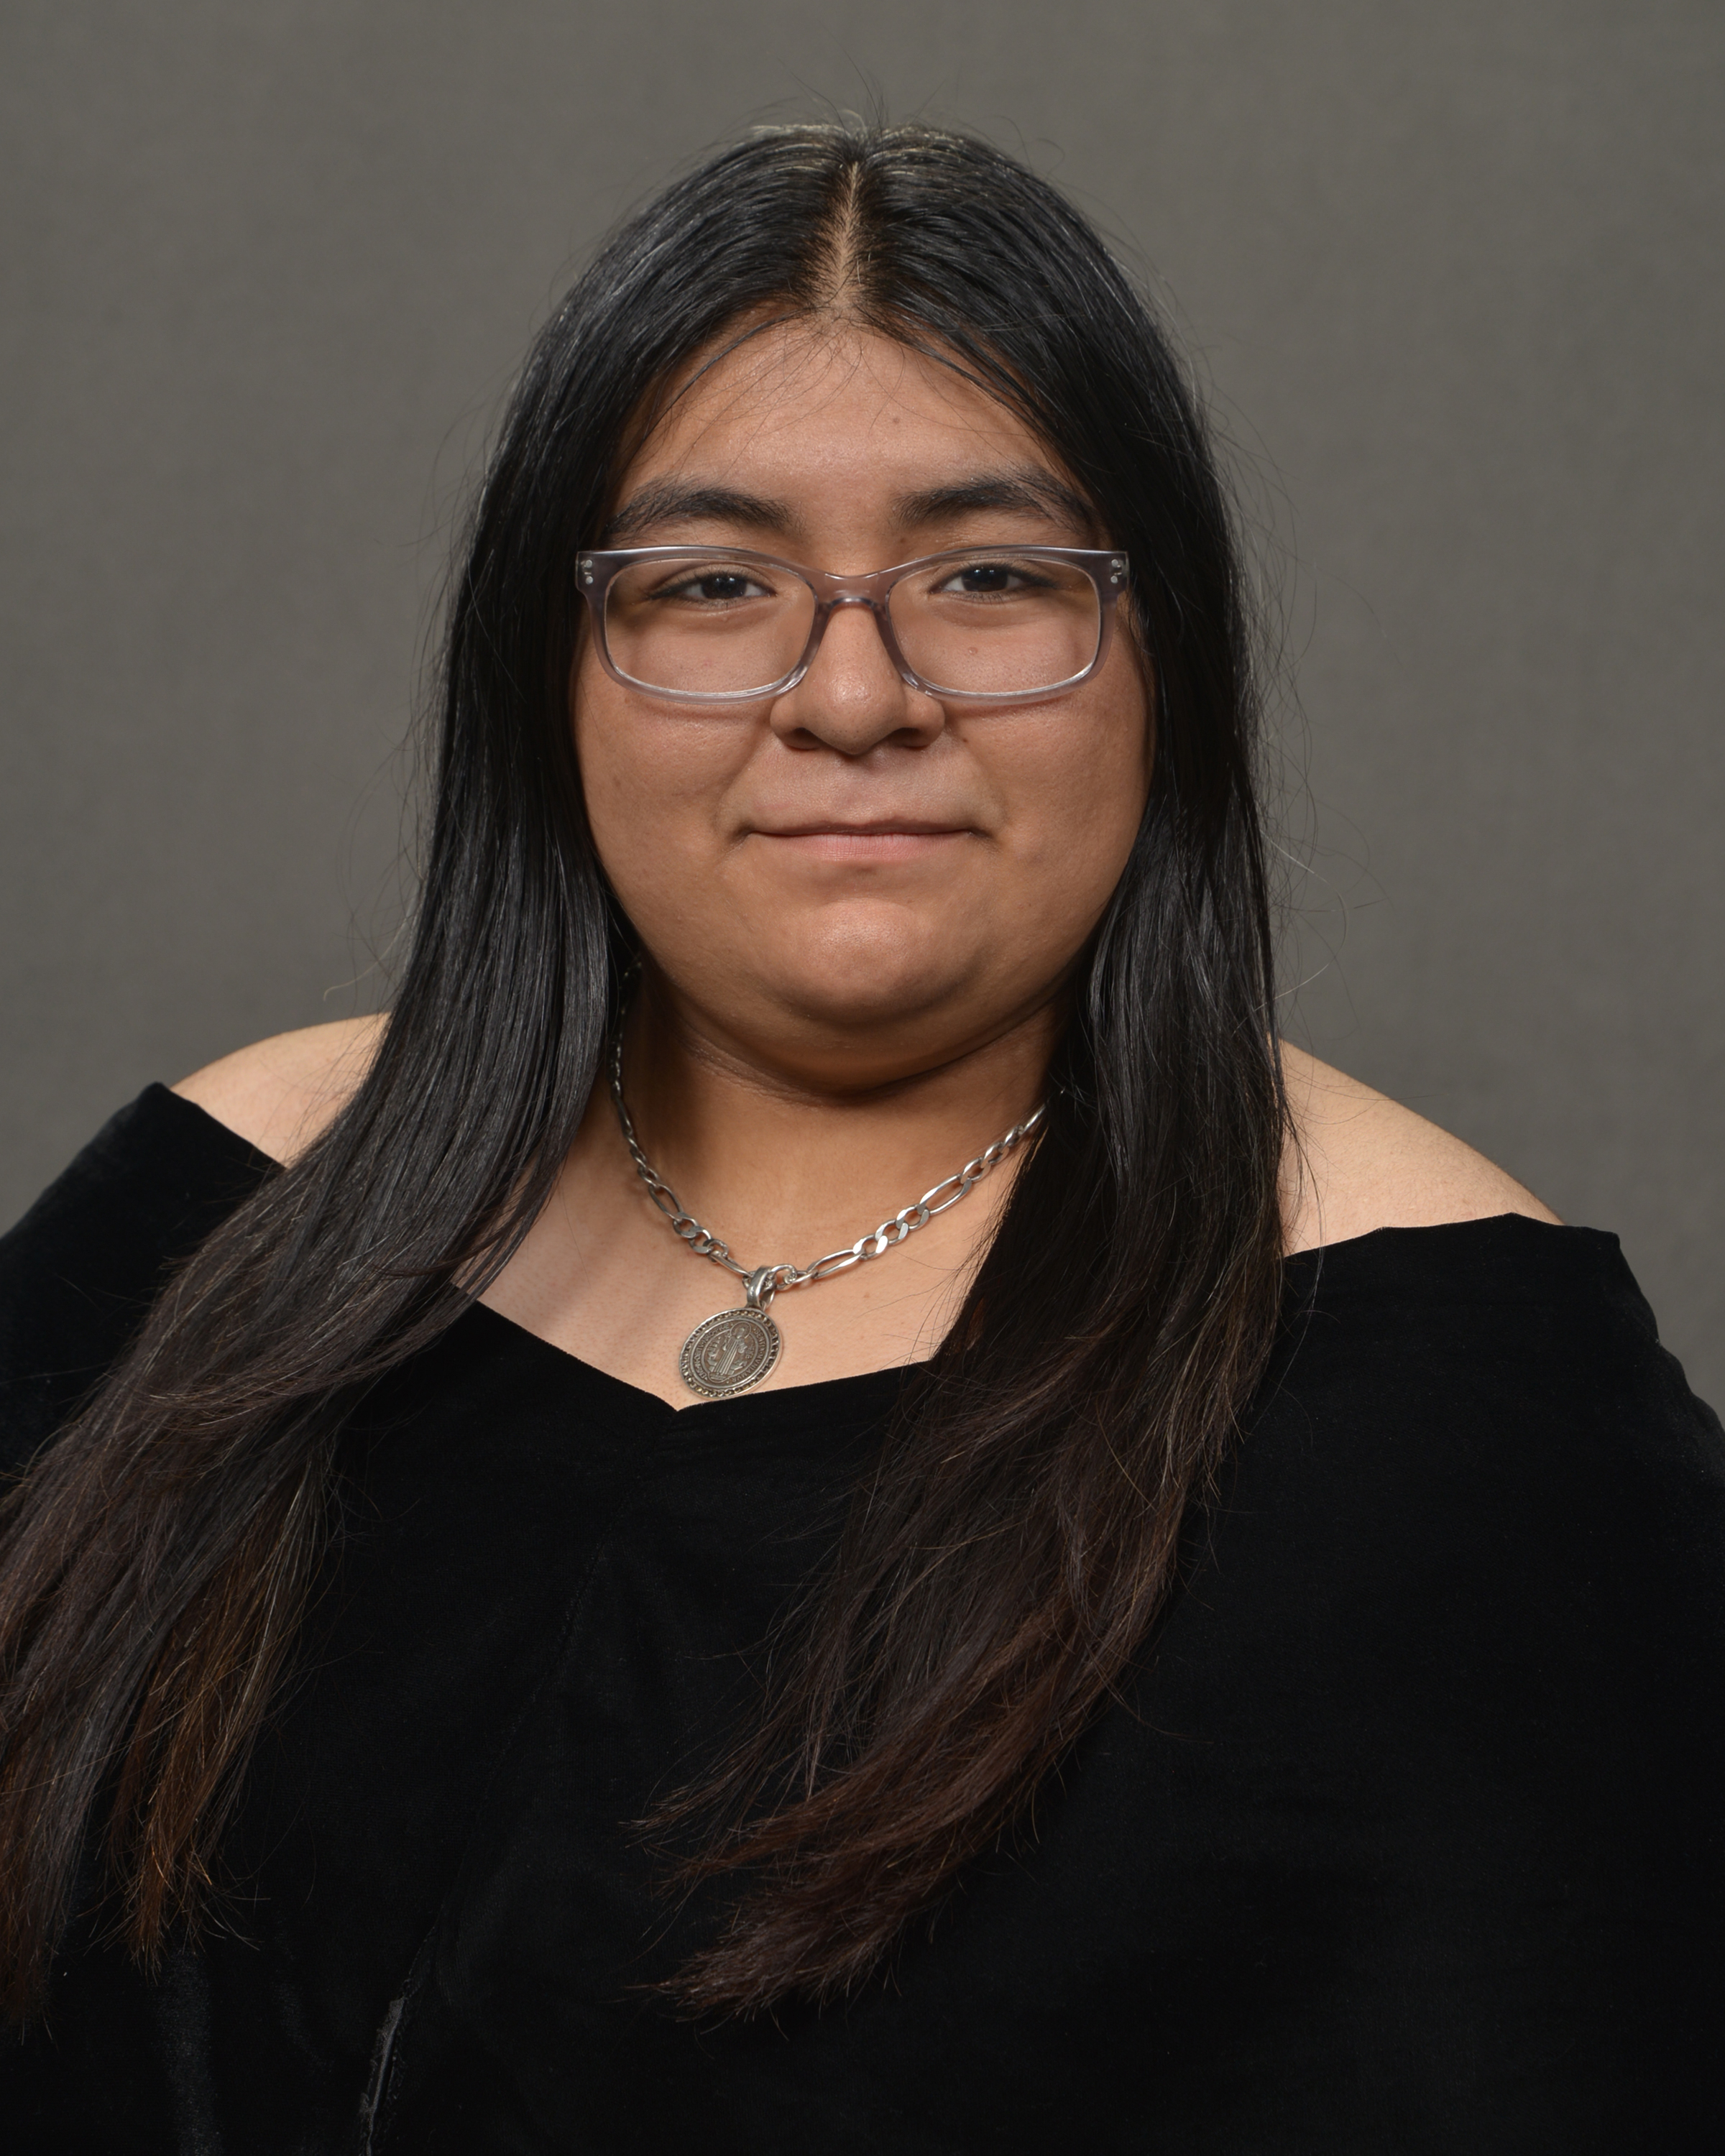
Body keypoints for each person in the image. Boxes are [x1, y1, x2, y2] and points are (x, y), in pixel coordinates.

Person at [0, 121, 1719, 2155]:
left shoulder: (1460, 1404)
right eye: (712, 584)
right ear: (549, 677)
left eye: (988, 578)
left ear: (1161, 660)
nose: (850, 696)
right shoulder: (218, 1211)